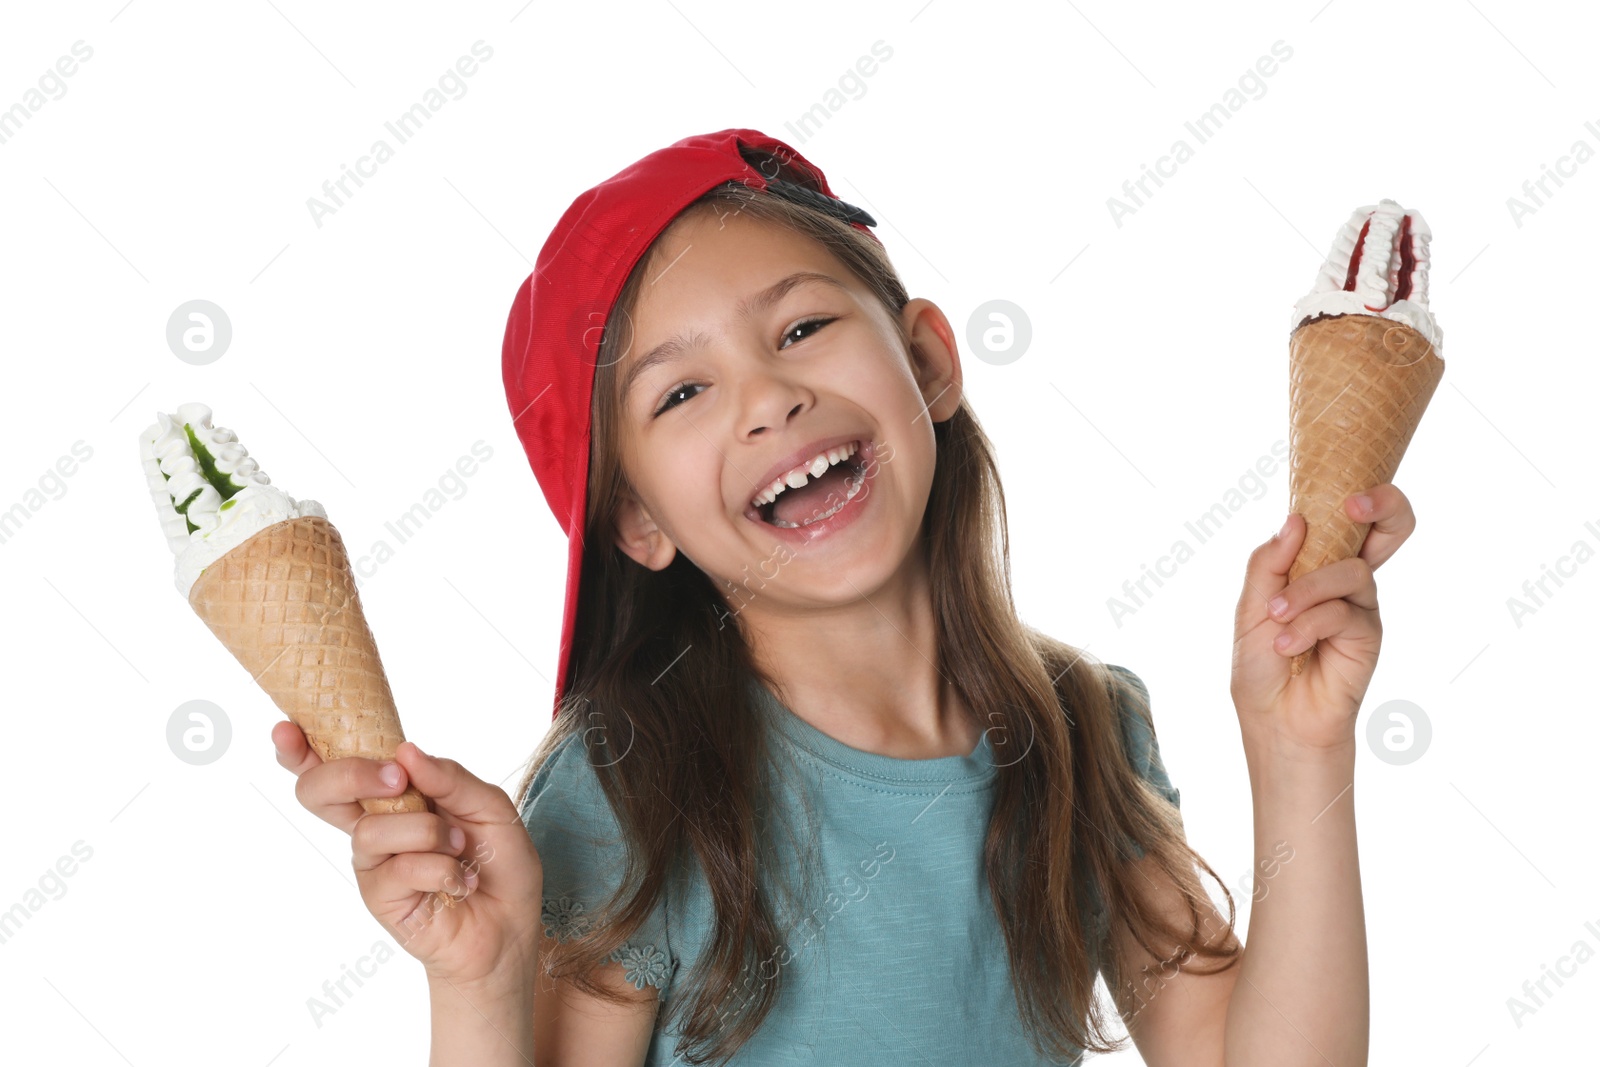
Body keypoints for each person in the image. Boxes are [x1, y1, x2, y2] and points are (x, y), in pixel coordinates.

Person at [273, 129, 1409, 1066]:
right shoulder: (631, 786)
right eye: (682, 392)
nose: (768, 399)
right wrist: (476, 987)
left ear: (926, 360)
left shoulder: (1084, 731)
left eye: (803, 327)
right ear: (640, 524)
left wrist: (1297, 747)